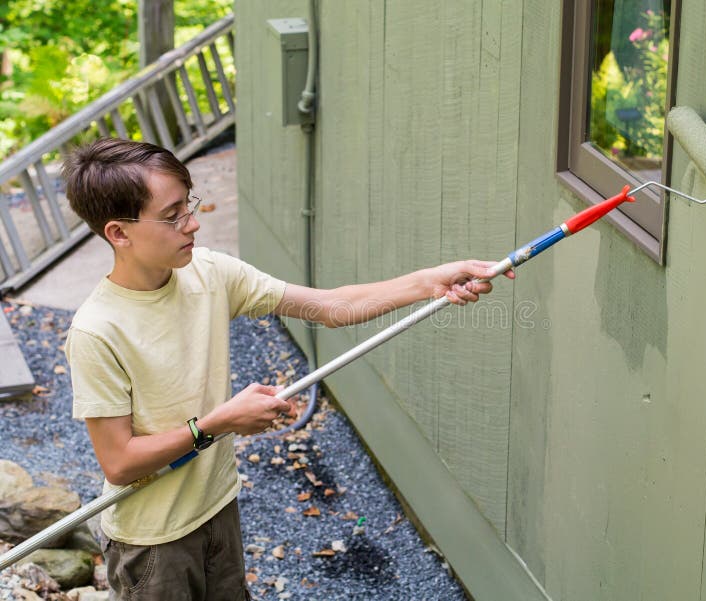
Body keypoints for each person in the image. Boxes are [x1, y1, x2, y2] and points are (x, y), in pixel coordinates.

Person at [63, 137, 513, 600]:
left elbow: (331, 306)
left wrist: (428, 282)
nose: (193, 223)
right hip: (153, 541)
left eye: (189, 204)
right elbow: (119, 462)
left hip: (217, 509)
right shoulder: (98, 331)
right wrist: (218, 423)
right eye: (173, 214)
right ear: (119, 232)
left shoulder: (210, 274)